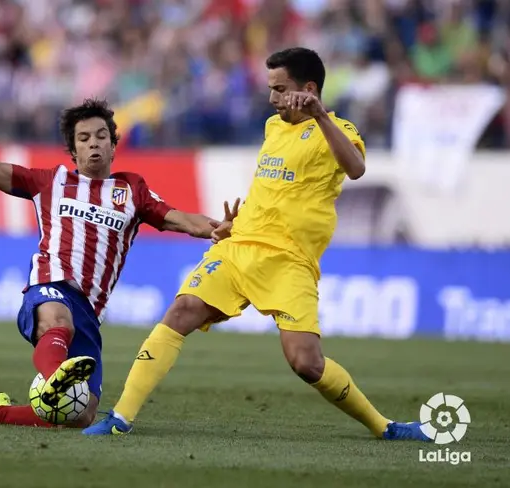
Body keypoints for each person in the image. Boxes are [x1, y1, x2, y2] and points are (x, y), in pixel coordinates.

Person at [84, 48, 430, 442]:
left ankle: (383, 427)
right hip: (239, 246)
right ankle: (122, 417)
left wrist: (319, 114)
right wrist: (234, 223)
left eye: (280, 89)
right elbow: (273, 190)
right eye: (270, 89)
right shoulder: (273, 127)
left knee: (306, 363)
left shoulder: (338, 130)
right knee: (181, 311)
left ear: (309, 89)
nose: (272, 98)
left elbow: (356, 168)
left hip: (289, 262)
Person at [0, 65, 234, 428]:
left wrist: (217, 228)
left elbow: (182, 219)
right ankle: (53, 377)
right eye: (84, 138)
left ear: (113, 144)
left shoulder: (132, 191)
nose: (93, 143)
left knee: (80, 414)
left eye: (100, 136)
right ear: (73, 150)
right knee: (56, 322)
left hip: (89, 312)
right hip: (50, 287)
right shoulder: (49, 182)